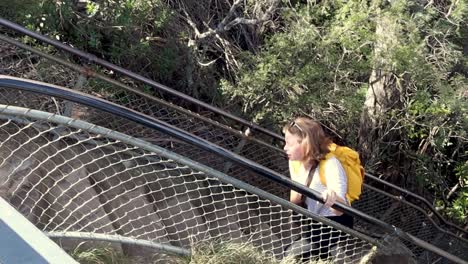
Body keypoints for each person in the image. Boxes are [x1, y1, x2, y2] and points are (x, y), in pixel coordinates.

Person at [283, 117, 353, 260]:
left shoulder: (331, 165)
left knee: (294, 254)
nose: (285, 148)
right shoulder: (295, 162)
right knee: (313, 253)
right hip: (314, 218)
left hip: (335, 221)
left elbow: (340, 209)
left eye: (289, 143)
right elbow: (295, 196)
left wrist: (332, 196)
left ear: (305, 143)